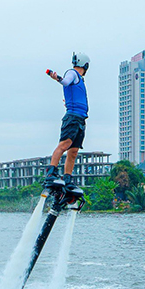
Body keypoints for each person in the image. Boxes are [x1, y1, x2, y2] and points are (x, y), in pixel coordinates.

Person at [43, 52, 89, 191]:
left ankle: (67, 179)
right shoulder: (72, 74)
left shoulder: (80, 80)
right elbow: (65, 81)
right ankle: (51, 173)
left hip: (80, 119)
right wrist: (57, 78)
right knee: (65, 144)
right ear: (85, 65)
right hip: (73, 118)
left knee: (74, 151)